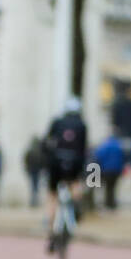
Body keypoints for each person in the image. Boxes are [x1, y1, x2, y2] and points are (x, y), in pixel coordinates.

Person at [43, 97, 87, 247]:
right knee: (75, 184)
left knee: (52, 196)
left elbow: (46, 142)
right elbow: (84, 148)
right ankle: (76, 205)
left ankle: (50, 229)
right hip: (75, 162)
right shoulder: (82, 125)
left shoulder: (57, 122)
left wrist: (48, 158)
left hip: (56, 162)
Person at [92, 130, 126, 209]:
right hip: (116, 170)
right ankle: (112, 203)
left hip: (106, 169)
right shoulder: (119, 146)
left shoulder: (104, 146)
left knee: (107, 187)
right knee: (113, 187)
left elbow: (99, 157)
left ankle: (107, 203)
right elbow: (123, 158)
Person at [24, 136, 45, 207]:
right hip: (35, 171)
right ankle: (34, 201)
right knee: (35, 186)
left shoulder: (31, 151)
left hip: (33, 171)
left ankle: (33, 201)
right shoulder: (39, 151)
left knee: (33, 186)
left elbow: (26, 161)